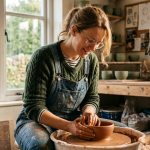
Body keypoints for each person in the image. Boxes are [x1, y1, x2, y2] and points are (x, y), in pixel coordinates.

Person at [14, 5, 112, 150]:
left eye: (98, 43)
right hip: (34, 122)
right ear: (74, 30)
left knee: (120, 132)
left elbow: (92, 97)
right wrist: (69, 127)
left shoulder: (91, 61)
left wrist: (89, 113)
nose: (93, 48)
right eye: (90, 40)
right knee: (42, 145)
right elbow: (34, 107)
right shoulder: (43, 57)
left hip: (71, 120)